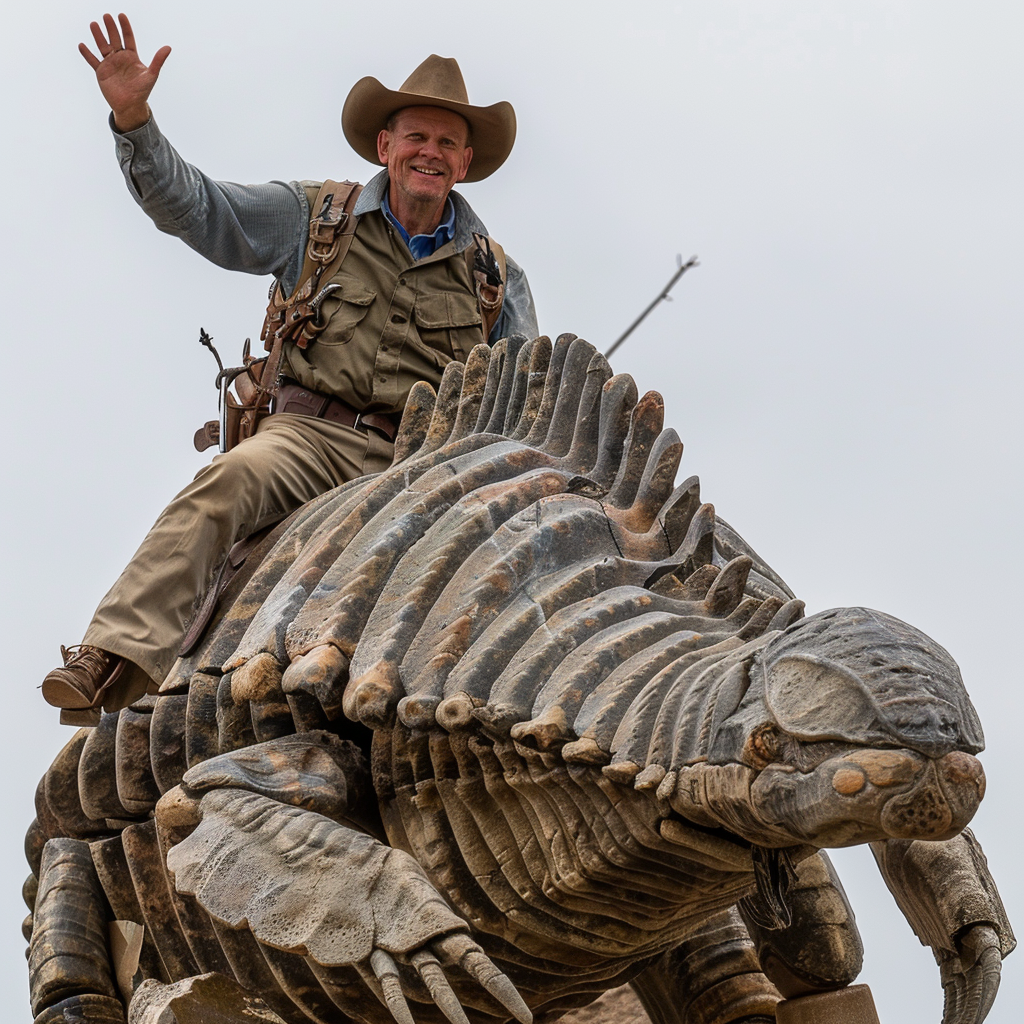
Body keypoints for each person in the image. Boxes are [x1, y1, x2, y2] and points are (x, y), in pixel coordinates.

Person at [41, 13, 538, 721]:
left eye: (447, 143)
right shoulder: (313, 216)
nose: (430, 152)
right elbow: (199, 209)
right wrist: (135, 119)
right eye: (418, 137)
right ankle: (111, 660)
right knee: (228, 484)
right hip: (308, 441)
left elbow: (520, 406)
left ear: (463, 164)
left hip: (421, 469)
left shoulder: (497, 278)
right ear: (385, 145)